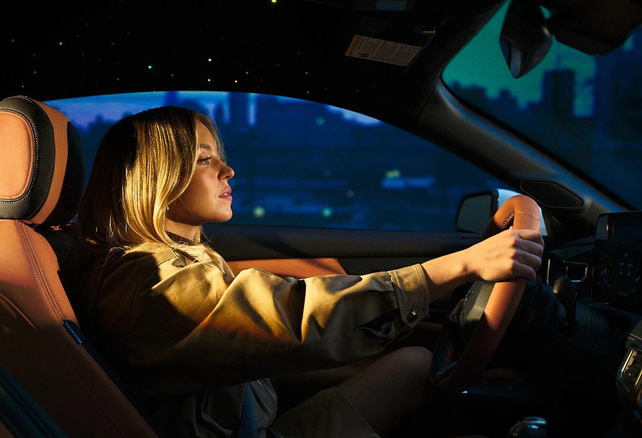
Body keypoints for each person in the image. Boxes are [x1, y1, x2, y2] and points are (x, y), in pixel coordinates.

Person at [76, 106, 544, 438]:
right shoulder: (151, 284)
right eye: (205, 159)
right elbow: (294, 317)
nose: (229, 170)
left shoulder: (174, 262)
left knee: (416, 366)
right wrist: (457, 267)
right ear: (157, 177)